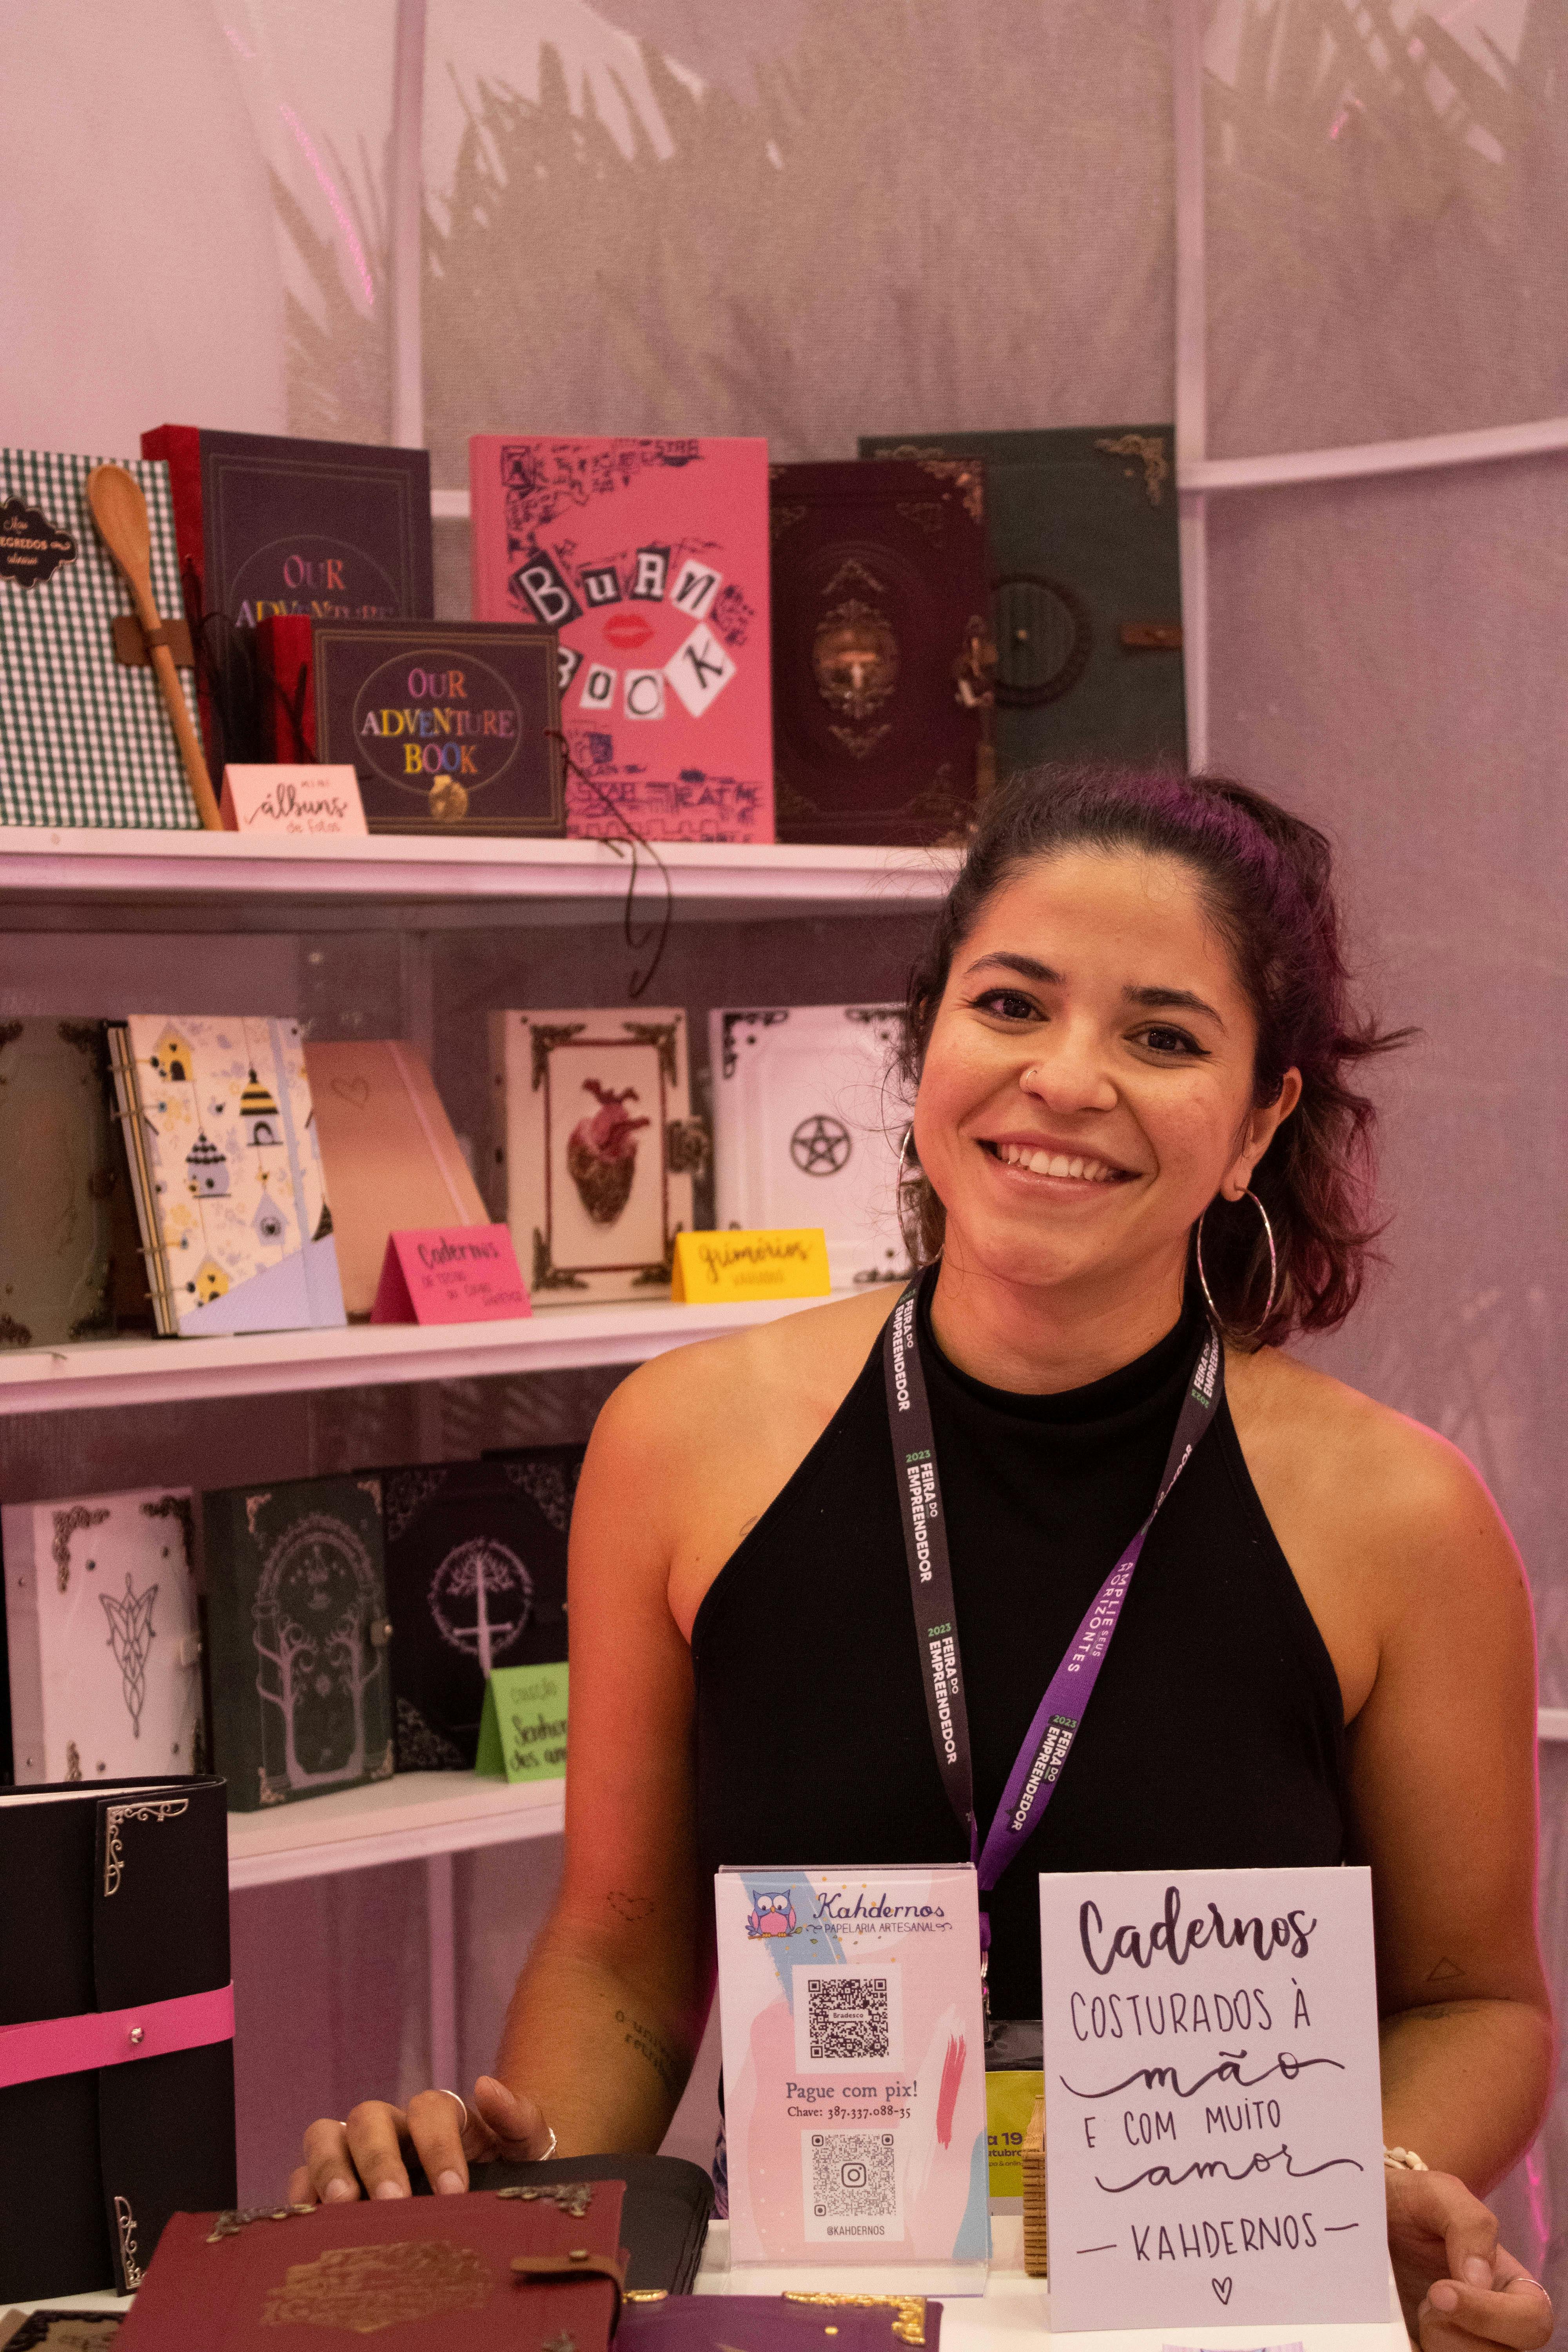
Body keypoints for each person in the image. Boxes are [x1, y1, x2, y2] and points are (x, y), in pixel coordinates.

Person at [292, 768, 1553, 2352]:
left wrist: (1365, 2182)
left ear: (1259, 1123)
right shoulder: (680, 1446)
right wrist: (515, 2204)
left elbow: (1472, 2002)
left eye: (1164, 1038)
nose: (1065, 1079)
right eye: (1010, 1004)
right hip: (819, 2296)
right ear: (925, 1043)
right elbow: (620, 1955)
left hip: (1216, 2313)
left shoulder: (1403, 1518)